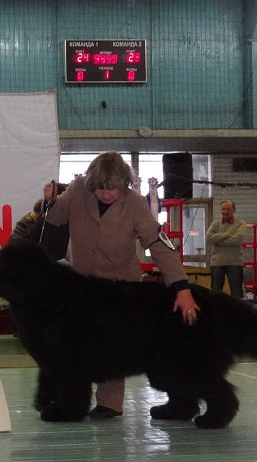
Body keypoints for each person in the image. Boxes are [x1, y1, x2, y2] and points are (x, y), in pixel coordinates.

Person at [43, 151, 199, 419]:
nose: (106, 194)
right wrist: (49, 201)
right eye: (101, 189)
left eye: (112, 189)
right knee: (78, 344)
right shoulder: (79, 189)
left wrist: (181, 287)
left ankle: (110, 403)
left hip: (121, 288)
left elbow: (159, 244)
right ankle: (70, 400)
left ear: (124, 184)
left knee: (112, 345)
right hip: (84, 287)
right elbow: (55, 218)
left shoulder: (136, 204)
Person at [206, 200, 246, 298]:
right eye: (223, 209)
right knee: (215, 292)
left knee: (236, 291)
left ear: (234, 210)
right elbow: (208, 238)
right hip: (217, 262)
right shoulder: (215, 224)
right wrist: (227, 234)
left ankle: (237, 312)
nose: (225, 211)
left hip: (235, 262)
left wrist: (218, 240)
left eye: (228, 209)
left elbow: (238, 240)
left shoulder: (240, 224)